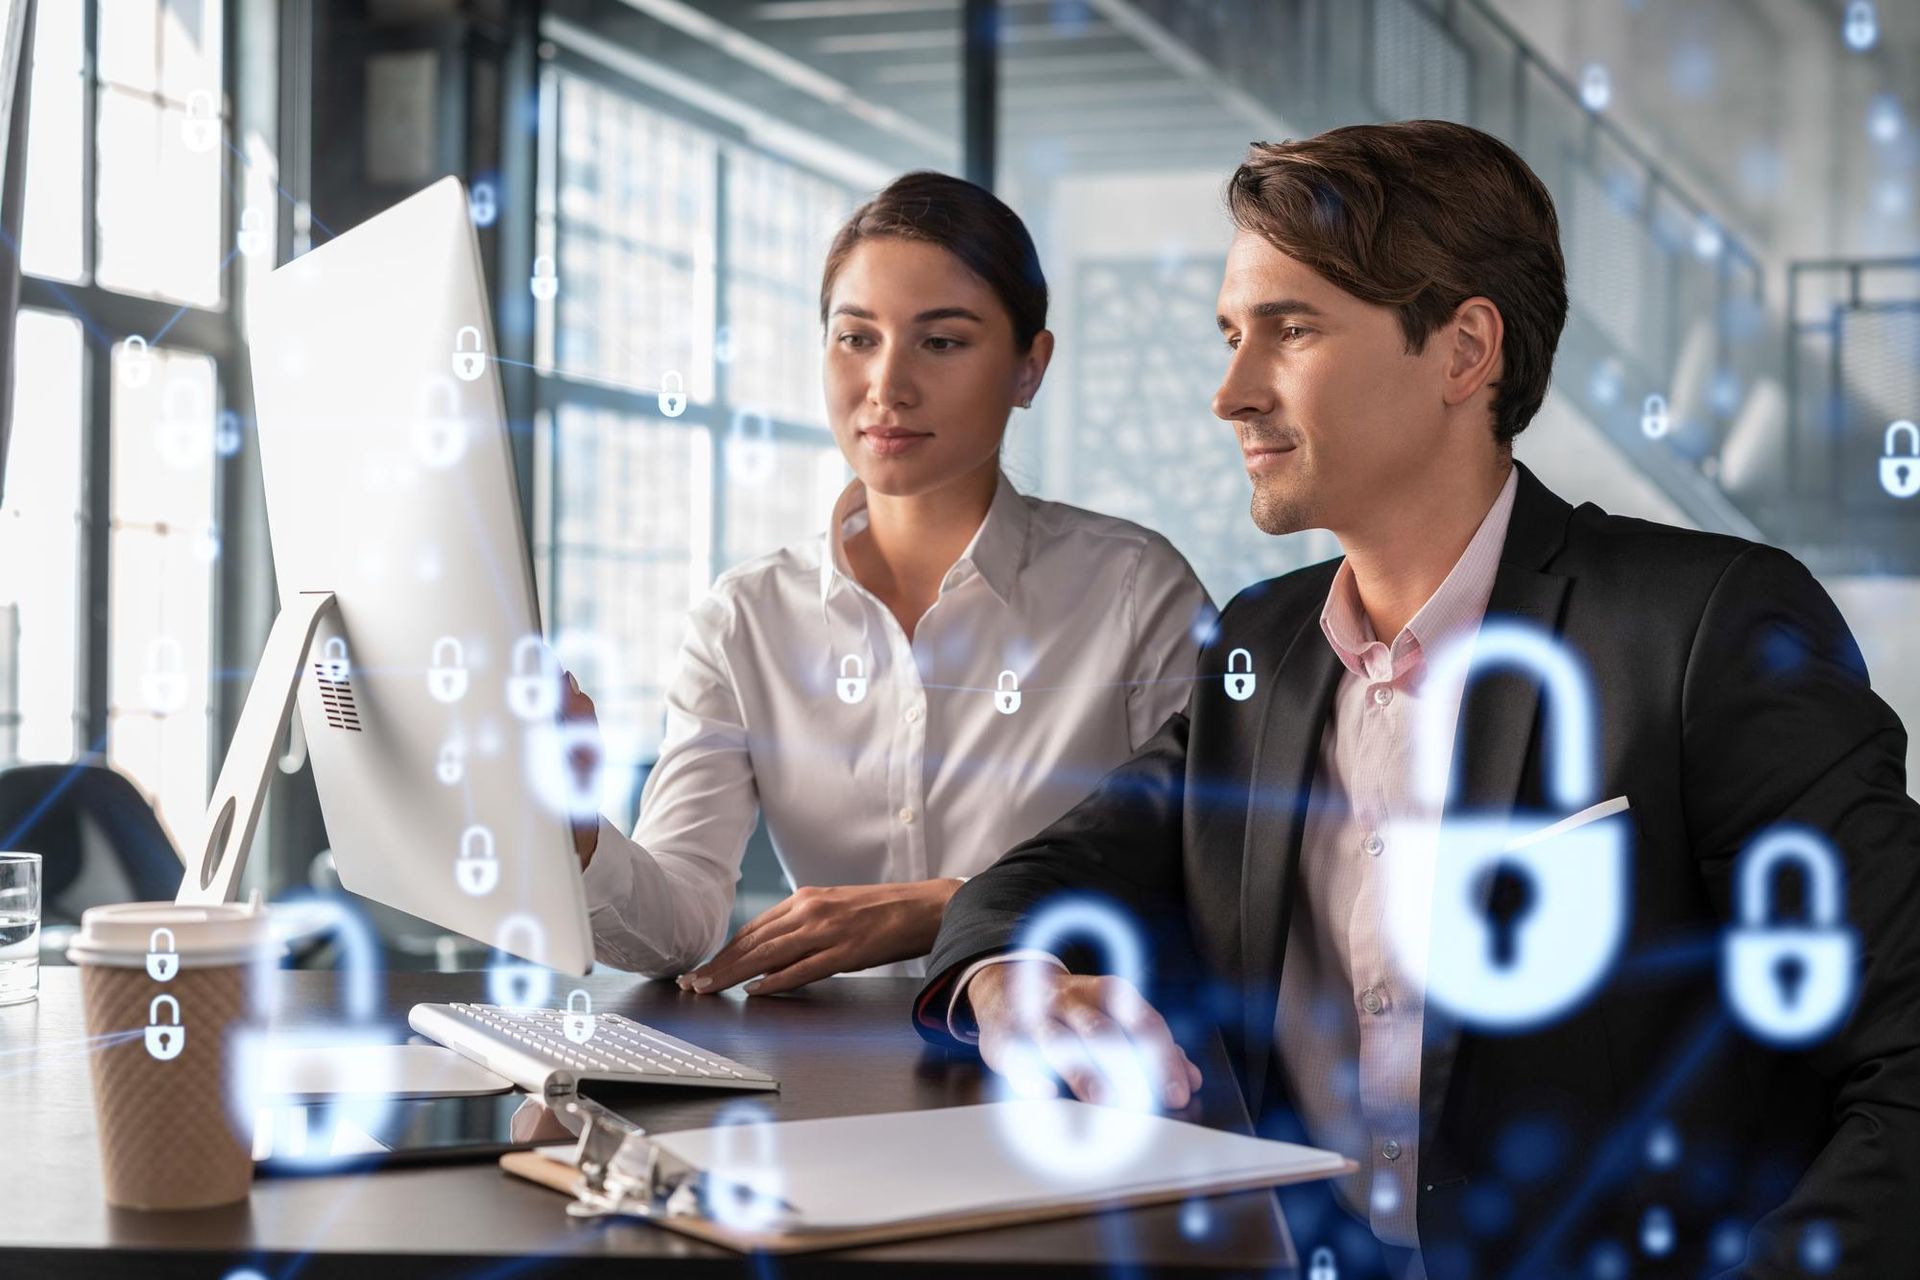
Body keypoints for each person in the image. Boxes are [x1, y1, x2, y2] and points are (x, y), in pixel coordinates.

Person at [912, 121, 1920, 1279]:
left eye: (1291, 331)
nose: (1230, 392)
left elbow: (1904, 1055)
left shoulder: (1711, 629)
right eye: (1234, 335)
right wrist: (1008, 985)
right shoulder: (1261, 647)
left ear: (1463, 351)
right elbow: (1030, 883)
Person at [565, 171, 1212, 996]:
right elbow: (680, 923)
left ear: (1028, 369)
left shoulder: (1132, 590)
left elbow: (1210, 880)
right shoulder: (746, 619)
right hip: (822, 1081)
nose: (886, 387)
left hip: (1062, 1076)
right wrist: (574, 829)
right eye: (857, 338)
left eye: (941, 342)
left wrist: (958, 909)